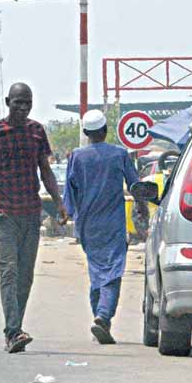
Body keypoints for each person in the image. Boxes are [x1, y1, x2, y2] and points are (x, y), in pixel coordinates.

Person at [0, 82, 67, 354]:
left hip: (30, 212)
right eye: (18, 102)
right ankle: (13, 331)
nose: (23, 107)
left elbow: (45, 171)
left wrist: (58, 202)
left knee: (25, 275)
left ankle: (15, 328)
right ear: (8, 102)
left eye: (27, 103)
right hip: (3, 212)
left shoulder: (37, 132)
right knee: (9, 271)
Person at [62, 110, 137, 345]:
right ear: (106, 130)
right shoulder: (120, 154)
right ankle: (103, 315)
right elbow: (135, 185)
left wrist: (67, 215)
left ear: (86, 132)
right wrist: (143, 210)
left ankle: (100, 319)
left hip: (87, 226)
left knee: (97, 272)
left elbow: (69, 193)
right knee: (113, 271)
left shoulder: (76, 157)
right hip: (113, 224)